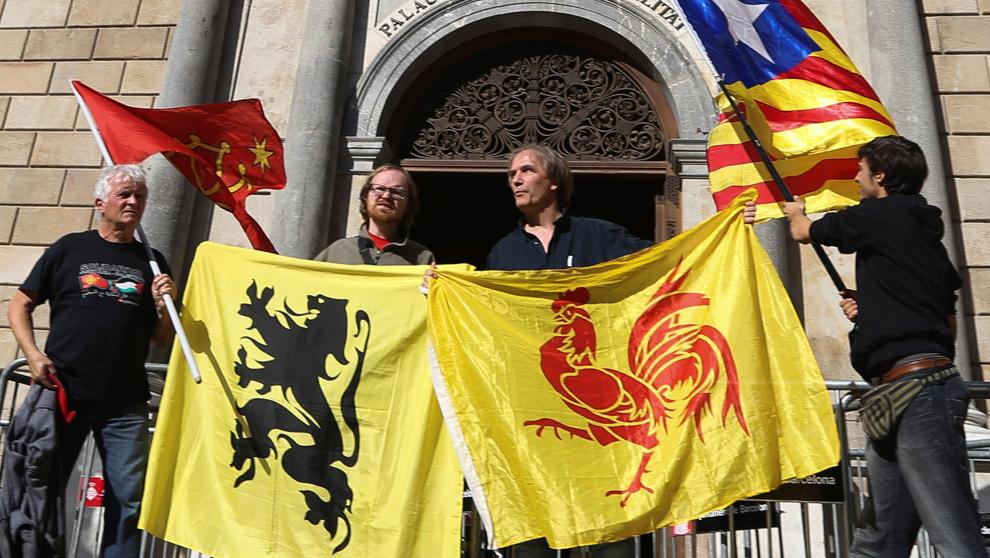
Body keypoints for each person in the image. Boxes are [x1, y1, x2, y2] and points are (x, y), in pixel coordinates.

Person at [485, 144, 754, 557]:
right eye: (511, 174)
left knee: (611, 540)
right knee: (532, 540)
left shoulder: (599, 235)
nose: (515, 180)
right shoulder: (503, 253)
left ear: (553, 180)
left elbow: (670, 261)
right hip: (533, 413)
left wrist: (727, 229)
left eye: (525, 170)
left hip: (608, 441)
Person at [780, 135, 985, 557]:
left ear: (881, 175)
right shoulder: (923, 239)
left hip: (917, 395)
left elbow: (804, 233)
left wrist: (795, 213)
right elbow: (944, 320)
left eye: (861, 169)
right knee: (880, 538)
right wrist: (874, 311)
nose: (855, 177)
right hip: (905, 391)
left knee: (953, 532)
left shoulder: (881, 214)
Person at [7, 164, 176, 557]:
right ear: (101, 203)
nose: (133, 201)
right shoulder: (70, 247)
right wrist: (33, 355)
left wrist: (165, 305)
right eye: (124, 194)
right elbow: (20, 305)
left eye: (140, 196)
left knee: (128, 499)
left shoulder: (153, 261)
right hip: (63, 392)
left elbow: (162, 339)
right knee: (44, 485)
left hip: (125, 401)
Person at [314, 164, 433, 265]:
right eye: (379, 189)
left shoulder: (422, 259)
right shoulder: (337, 251)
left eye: (397, 192)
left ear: (408, 205)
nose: (386, 196)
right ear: (365, 197)